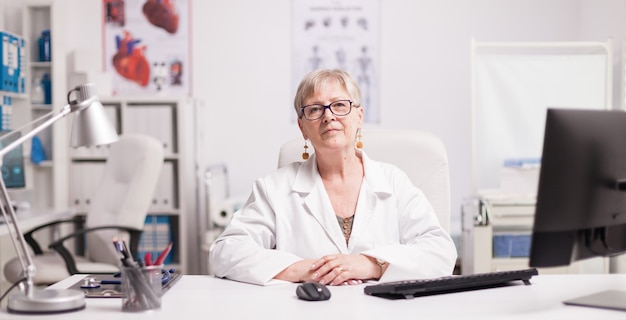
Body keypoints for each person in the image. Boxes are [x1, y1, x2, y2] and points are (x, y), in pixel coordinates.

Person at [209, 69, 457, 286]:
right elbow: (225, 251)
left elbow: (441, 253)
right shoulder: (275, 188)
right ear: (302, 127)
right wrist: (303, 269)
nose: (328, 116)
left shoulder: (393, 182)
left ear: (358, 116)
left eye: (339, 105)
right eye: (315, 109)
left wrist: (369, 264)